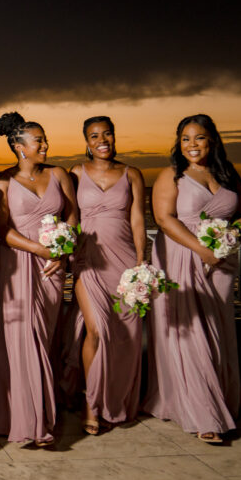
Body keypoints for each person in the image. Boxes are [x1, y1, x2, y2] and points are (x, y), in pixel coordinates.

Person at [144, 114, 241, 444]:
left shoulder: (228, 174)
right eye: (185, 138)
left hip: (221, 262)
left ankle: (218, 398)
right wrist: (202, 251)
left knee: (217, 329)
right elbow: (164, 218)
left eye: (199, 138)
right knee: (191, 335)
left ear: (212, 141)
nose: (192, 145)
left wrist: (228, 238)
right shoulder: (171, 175)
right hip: (180, 256)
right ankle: (204, 416)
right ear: (178, 143)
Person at [0, 111, 77, 447]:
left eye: (44, 139)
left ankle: (41, 411)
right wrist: (38, 249)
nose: (45, 145)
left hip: (52, 268)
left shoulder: (59, 173)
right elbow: (1, 231)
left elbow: (71, 215)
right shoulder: (2, 181)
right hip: (17, 265)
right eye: (39, 140)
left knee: (44, 337)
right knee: (22, 339)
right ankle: (28, 423)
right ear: (20, 147)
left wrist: (63, 251)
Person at [64, 116, 147, 434]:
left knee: (125, 336)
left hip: (124, 263)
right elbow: (68, 215)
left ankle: (116, 396)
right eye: (94, 135)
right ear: (86, 141)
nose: (102, 140)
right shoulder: (74, 173)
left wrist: (141, 264)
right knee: (96, 331)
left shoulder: (132, 174)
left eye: (107, 134)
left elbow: (138, 220)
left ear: (115, 137)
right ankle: (91, 403)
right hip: (89, 262)